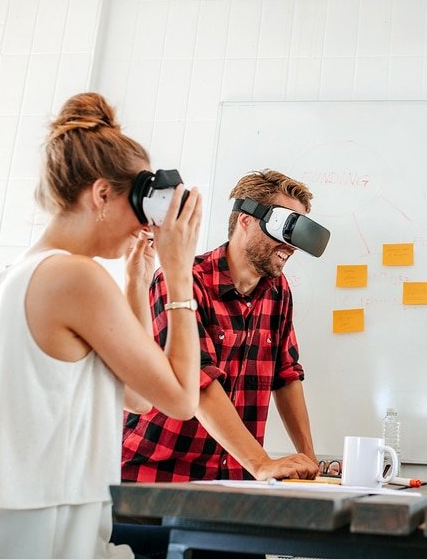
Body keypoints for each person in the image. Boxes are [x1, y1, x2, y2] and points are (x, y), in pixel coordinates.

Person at [0, 92, 203, 558]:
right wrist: (180, 273)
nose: (144, 227)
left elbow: (139, 396)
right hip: (37, 539)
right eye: (137, 207)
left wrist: (138, 282)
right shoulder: (74, 277)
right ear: (102, 194)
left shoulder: (19, 274)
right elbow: (182, 399)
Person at [122, 170, 320, 482]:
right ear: (246, 220)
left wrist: (310, 461)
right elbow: (197, 380)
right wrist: (260, 463)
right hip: (159, 473)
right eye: (285, 229)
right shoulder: (181, 281)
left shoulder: (278, 291)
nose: (291, 246)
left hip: (232, 479)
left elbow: (287, 375)